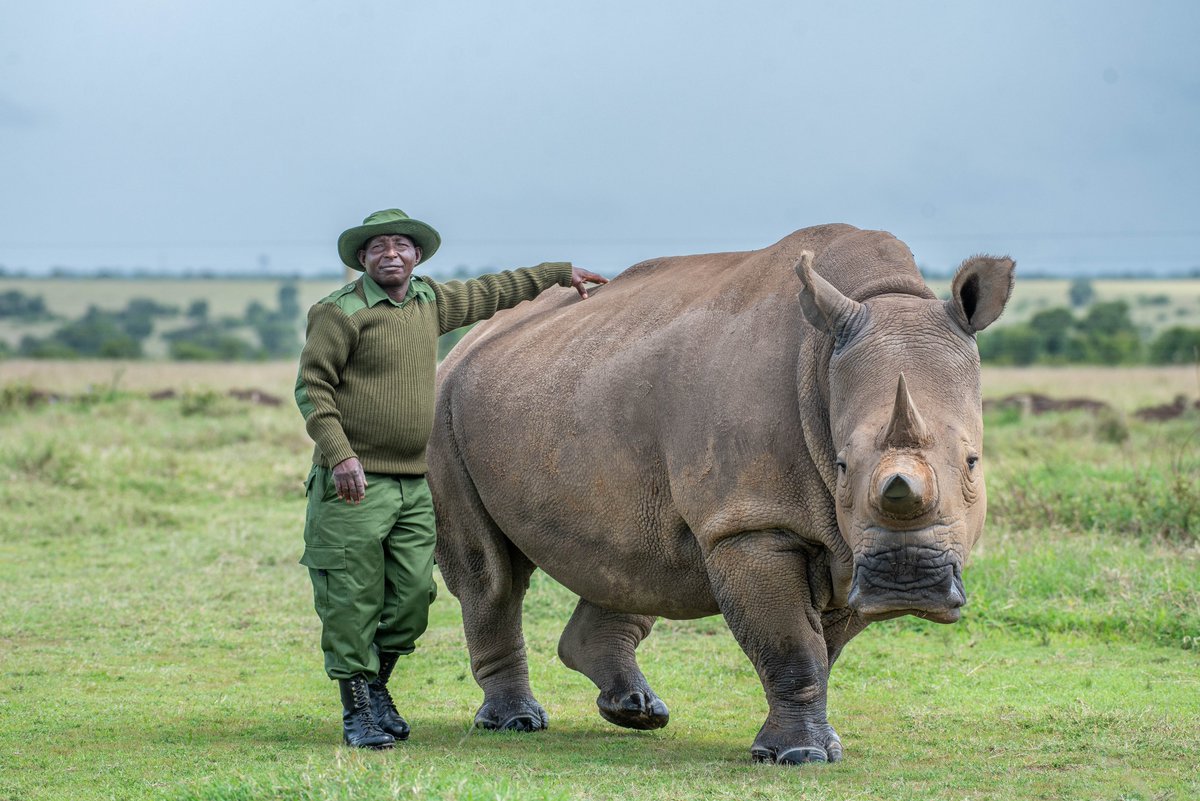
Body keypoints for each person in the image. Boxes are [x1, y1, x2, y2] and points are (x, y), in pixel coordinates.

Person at [294, 208, 607, 749]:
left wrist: (560, 272)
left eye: (401, 245)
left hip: (413, 481)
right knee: (352, 596)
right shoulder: (338, 313)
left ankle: (377, 690)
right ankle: (359, 712)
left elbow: (494, 291)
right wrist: (340, 455)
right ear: (363, 259)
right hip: (354, 482)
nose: (391, 254)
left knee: (413, 598)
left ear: (416, 256)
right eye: (378, 248)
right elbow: (314, 390)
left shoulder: (428, 302)